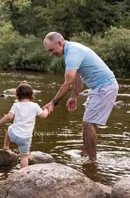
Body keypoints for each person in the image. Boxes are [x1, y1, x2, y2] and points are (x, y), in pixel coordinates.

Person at [43, 32, 119, 163]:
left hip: (105, 87)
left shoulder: (73, 53)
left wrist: (53, 103)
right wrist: (74, 96)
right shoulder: (71, 52)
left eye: (51, 50)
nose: (51, 53)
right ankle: (85, 153)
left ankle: (92, 160)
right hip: (98, 88)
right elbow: (78, 78)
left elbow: (68, 83)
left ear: (59, 43)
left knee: (88, 122)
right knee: (88, 122)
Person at [0, 82, 49, 168]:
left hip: (14, 135)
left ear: (17, 95)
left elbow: (9, 117)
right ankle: (23, 172)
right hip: (25, 139)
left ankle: (6, 146)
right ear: (31, 95)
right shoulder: (35, 106)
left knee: (9, 129)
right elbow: (43, 116)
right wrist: (46, 109)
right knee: (24, 157)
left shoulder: (16, 105)